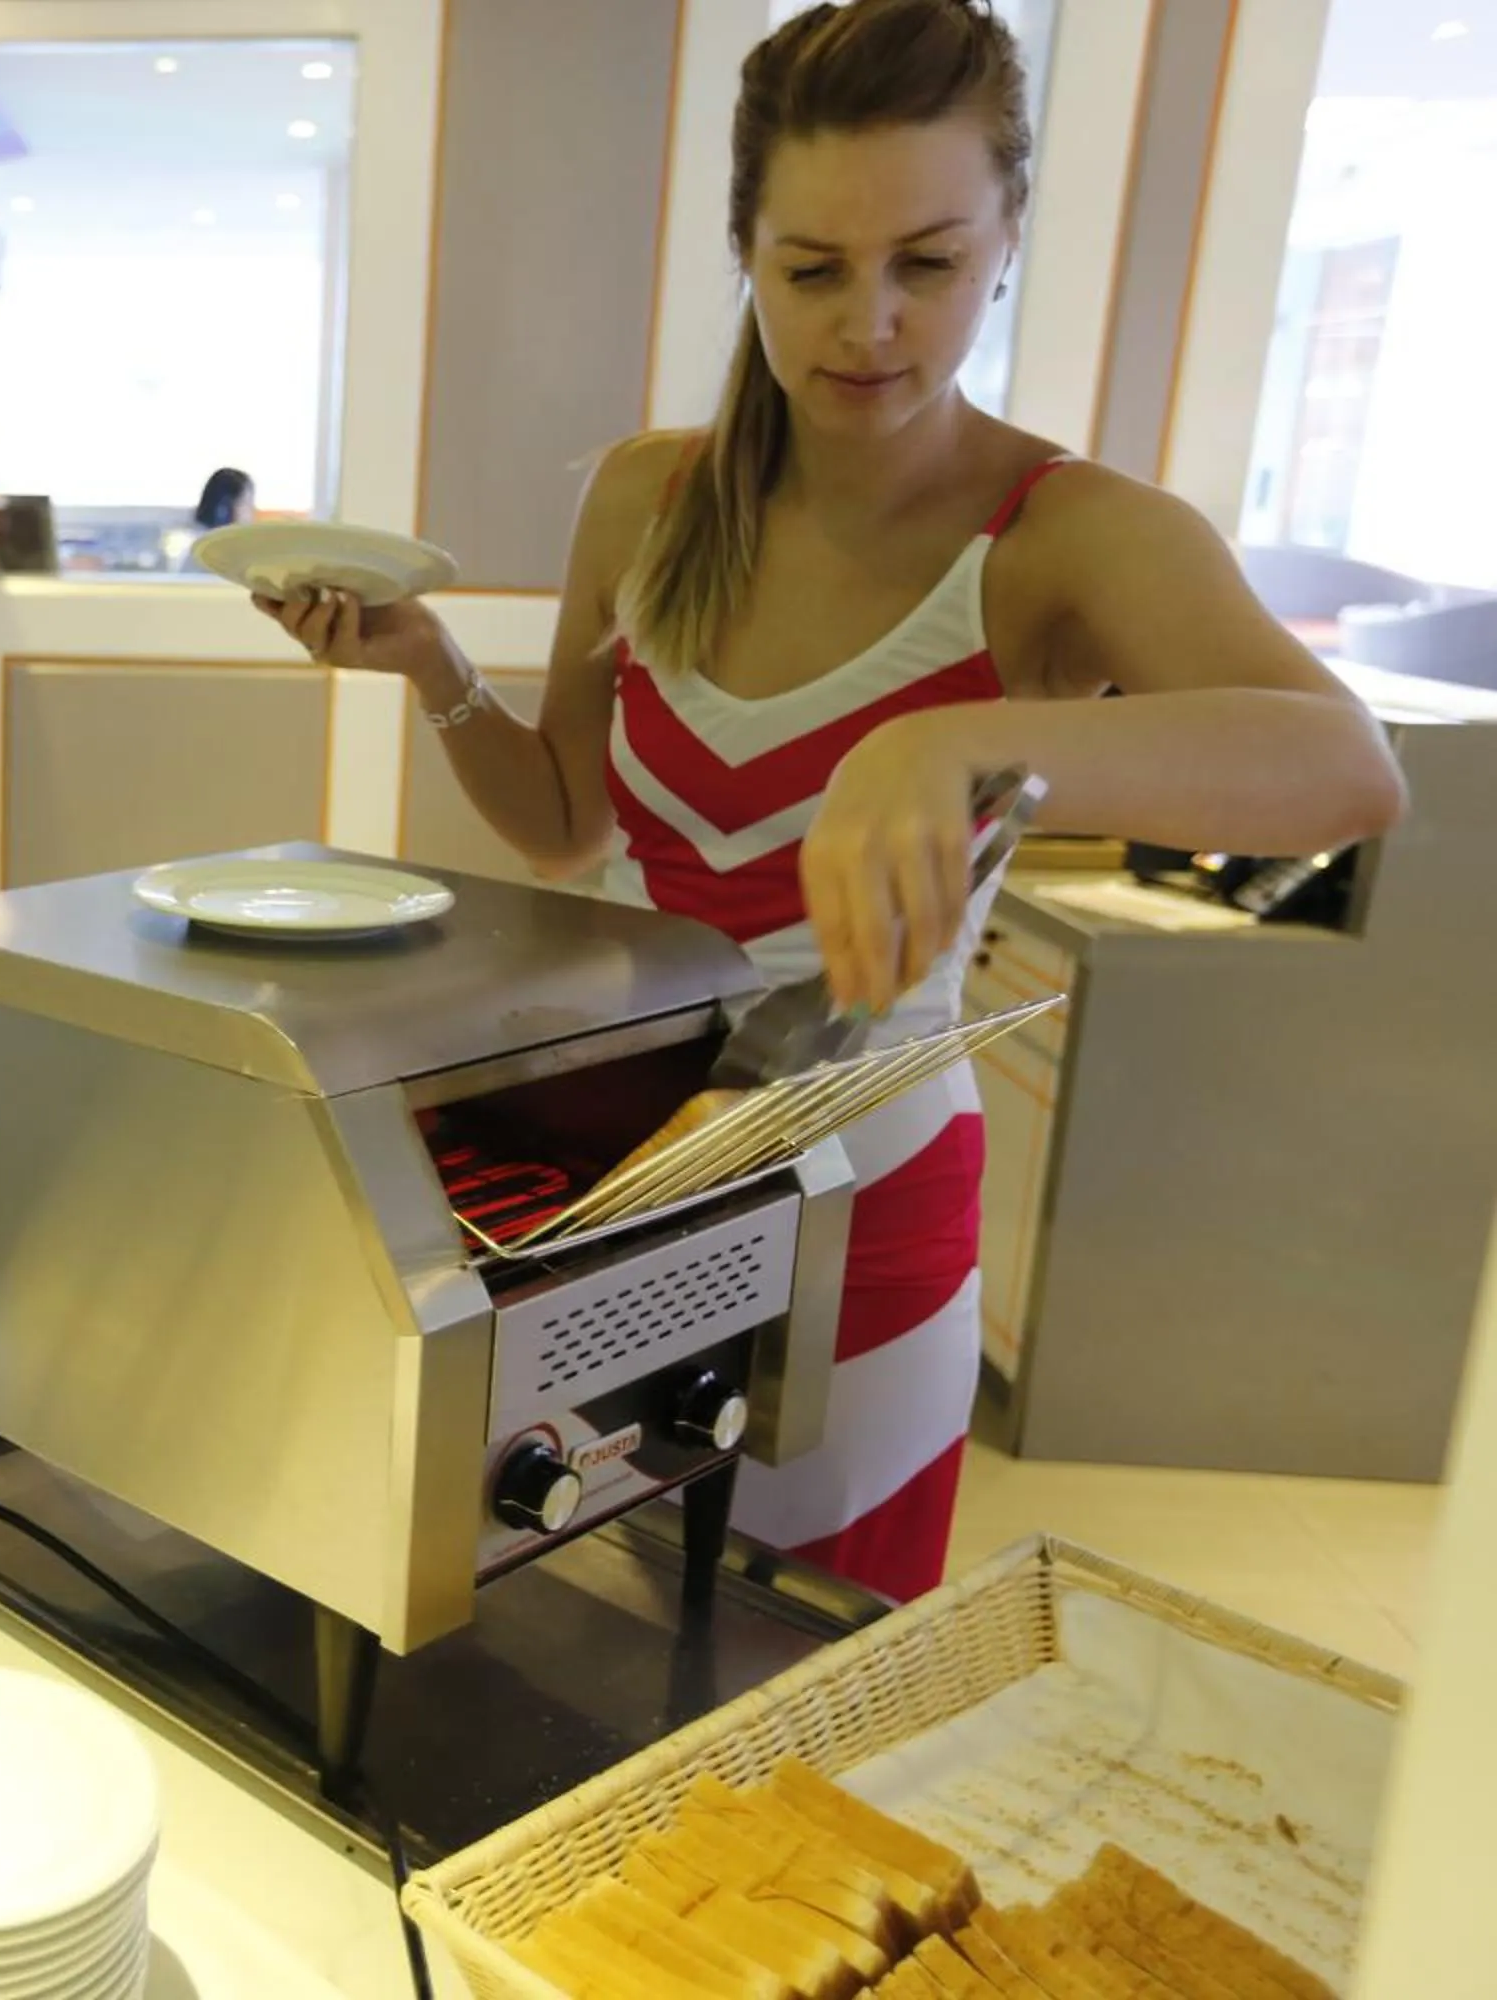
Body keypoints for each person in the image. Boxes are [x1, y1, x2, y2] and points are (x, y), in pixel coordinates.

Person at [257, 0, 1405, 1602]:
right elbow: (564, 824)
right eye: (813, 269)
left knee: (798, 1677)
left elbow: (1348, 772)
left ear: (1005, 241)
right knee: (566, 1640)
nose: (869, 325)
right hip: (632, 1168)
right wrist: (429, 658)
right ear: (746, 248)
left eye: (926, 264)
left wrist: (965, 742)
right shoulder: (647, 499)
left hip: (867, 1206)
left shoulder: (1066, 534)